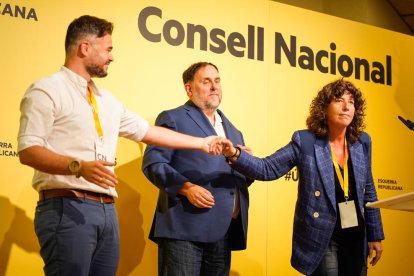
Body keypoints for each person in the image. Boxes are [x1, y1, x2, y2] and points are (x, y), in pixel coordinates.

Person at [17, 16, 224, 276]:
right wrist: (77, 167)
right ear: (84, 48)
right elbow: (28, 150)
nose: (111, 57)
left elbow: (149, 132)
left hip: (106, 211)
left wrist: (202, 143)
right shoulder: (46, 90)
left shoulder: (107, 100)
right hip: (66, 206)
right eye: (108, 49)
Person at [222, 79, 384, 276]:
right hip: (322, 235)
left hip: (356, 234)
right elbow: (267, 168)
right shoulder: (305, 140)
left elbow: (369, 189)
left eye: (351, 102)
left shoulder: (362, 141)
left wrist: (375, 235)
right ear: (324, 108)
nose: (346, 106)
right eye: (339, 100)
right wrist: (234, 154)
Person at [142, 62, 253, 275]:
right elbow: (153, 163)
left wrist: (245, 164)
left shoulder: (235, 132)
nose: (214, 86)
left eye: (217, 81)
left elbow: (239, 181)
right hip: (184, 230)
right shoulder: (173, 118)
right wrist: (186, 188)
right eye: (206, 81)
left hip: (224, 232)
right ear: (189, 89)